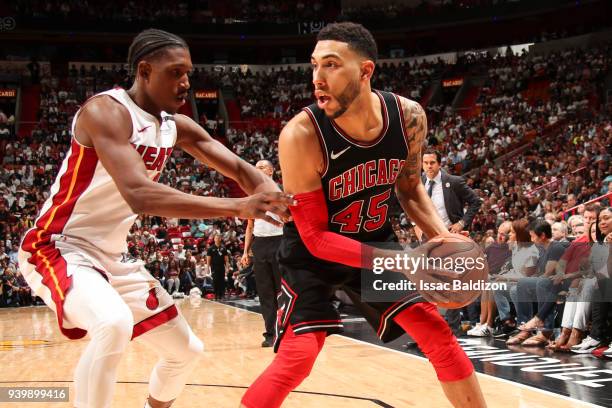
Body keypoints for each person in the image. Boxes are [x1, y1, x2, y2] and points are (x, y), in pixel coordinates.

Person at [18, 29, 293, 408]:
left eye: (188, 74)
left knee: (186, 351)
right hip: (58, 245)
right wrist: (237, 207)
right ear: (145, 70)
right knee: (112, 325)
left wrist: (278, 199)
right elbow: (140, 194)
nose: (185, 84)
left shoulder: (174, 126)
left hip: (111, 259)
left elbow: (241, 169)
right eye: (176, 73)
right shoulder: (106, 111)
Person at [241, 22, 486, 408]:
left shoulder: (408, 117)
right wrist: (405, 260)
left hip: (373, 240)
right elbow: (317, 237)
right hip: (312, 254)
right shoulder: (300, 135)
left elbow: (409, 188)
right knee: (298, 357)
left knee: (437, 334)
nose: (317, 79)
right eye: (314, 66)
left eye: (331, 65)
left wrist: (443, 243)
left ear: (365, 70)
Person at [421, 148, 482, 335]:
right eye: (426, 163)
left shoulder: (453, 182)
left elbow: (476, 202)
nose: (429, 166)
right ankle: (430, 329)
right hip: (428, 238)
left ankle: (451, 330)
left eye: (432, 163)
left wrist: (462, 223)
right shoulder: (420, 182)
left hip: (450, 237)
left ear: (439, 164)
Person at [241, 160, 284, 347]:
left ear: (271, 170)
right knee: (265, 293)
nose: (258, 170)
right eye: (256, 168)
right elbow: (250, 226)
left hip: (279, 242)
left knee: (282, 292)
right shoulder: (253, 196)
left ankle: (286, 331)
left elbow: (289, 219)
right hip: (260, 244)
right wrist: (245, 251)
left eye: (262, 167)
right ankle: (270, 333)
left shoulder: (282, 192)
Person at [207, 234, 230, 300]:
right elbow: (208, 259)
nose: (217, 239)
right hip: (214, 267)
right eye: (216, 238)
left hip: (222, 267)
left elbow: (226, 260)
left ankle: (222, 294)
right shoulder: (211, 248)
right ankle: (216, 294)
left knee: (222, 280)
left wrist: (227, 268)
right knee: (215, 280)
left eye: (218, 238)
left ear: (220, 239)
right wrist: (207, 268)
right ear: (214, 239)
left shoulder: (223, 248)